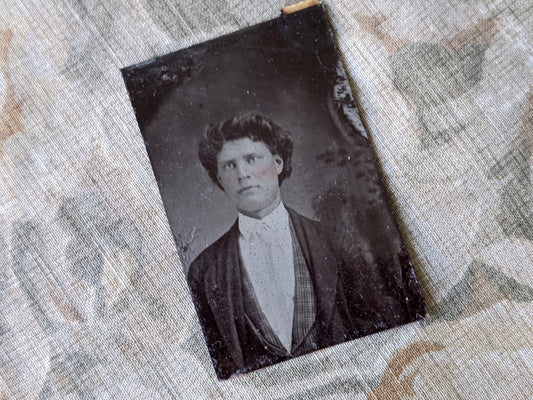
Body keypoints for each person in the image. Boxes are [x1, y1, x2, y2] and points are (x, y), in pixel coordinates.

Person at [187, 112, 414, 379]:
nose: (242, 174)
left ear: (278, 163)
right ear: (219, 179)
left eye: (251, 159)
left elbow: (381, 330)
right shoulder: (203, 271)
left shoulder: (336, 242)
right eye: (229, 166)